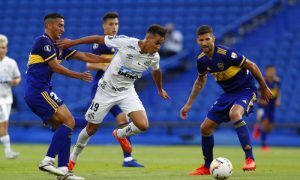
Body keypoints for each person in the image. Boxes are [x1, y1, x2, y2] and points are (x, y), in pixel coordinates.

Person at [57, 24, 170, 168]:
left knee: (143, 125)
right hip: (105, 91)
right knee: (91, 129)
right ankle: (73, 158)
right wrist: (72, 42)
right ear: (148, 38)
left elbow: (156, 71)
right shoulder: (127, 42)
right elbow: (98, 38)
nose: (158, 47)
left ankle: (120, 134)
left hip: (127, 92)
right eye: (157, 43)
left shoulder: (154, 56)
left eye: (161, 44)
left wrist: (160, 89)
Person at [24, 13, 110, 180]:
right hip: (37, 91)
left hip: (39, 91)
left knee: (64, 126)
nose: (62, 29)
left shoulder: (59, 46)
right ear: (49, 26)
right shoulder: (42, 41)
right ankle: (47, 160)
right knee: (69, 121)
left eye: (63, 26)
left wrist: (109, 60)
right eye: (59, 25)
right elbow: (55, 67)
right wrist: (78, 75)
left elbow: (84, 56)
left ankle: (64, 171)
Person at [179, 25, 273, 175]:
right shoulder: (201, 60)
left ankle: (250, 159)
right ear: (197, 41)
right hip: (228, 94)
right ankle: (207, 166)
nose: (204, 43)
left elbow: (252, 65)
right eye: (201, 40)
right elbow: (200, 80)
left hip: (246, 90)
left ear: (213, 39)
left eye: (207, 39)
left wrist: (264, 87)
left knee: (235, 114)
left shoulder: (226, 53)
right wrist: (189, 103)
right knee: (205, 128)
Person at [71, 12, 144, 169]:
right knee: (92, 126)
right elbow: (90, 64)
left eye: (116, 24)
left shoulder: (120, 42)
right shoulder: (101, 44)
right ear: (104, 26)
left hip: (118, 89)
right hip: (102, 89)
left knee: (123, 120)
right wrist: (108, 65)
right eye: (111, 24)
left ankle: (128, 159)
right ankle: (67, 125)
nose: (114, 27)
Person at [0, 34, 21, 159]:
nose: (2, 49)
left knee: (4, 126)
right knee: (3, 125)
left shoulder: (11, 62)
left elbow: (17, 78)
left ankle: (8, 151)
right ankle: (8, 152)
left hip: (6, 98)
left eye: (4, 47)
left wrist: (11, 81)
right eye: (0, 47)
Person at [253, 65, 280, 151]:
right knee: (264, 122)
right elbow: (254, 95)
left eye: (273, 71)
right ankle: (264, 145)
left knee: (270, 127)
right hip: (262, 106)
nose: (272, 73)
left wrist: (278, 100)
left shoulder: (277, 81)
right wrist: (260, 101)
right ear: (266, 72)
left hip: (271, 106)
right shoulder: (262, 82)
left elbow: (278, 92)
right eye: (270, 71)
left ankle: (258, 128)